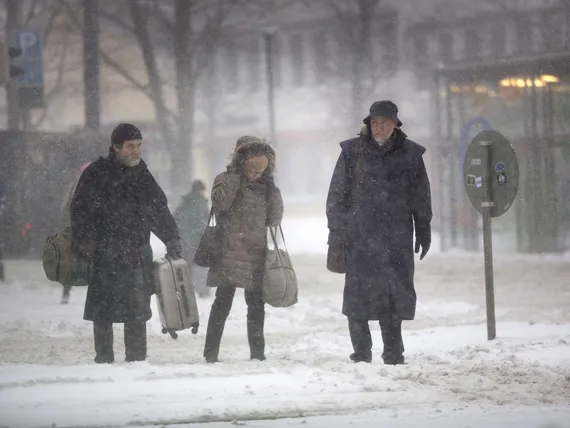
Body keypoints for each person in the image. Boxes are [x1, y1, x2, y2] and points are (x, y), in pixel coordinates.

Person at [326, 101, 432, 365]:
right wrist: (337, 231)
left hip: (396, 238)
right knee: (357, 299)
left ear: (395, 124)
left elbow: (420, 195)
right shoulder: (352, 152)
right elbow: (337, 195)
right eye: (374, 122)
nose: (379, 127)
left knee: (393, 298)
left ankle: (393, 353)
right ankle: (361, 354)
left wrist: (424, 228)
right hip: (359, 237)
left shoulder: (410, 154)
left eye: (384, 122)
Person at [71, 123, 183, 364]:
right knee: (103, 312)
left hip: (135, 253)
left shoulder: (142, 175)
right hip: (105, 253)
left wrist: (171, 238)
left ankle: (136, 359)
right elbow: (80, 210)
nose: (136, 150)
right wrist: (85, 240)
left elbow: (158, 211)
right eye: (131, 146)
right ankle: (104, 358)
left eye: (139, 145)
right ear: (116, 147)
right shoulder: (97, 173)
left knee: (137, 311)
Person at [203, 136, 284, 363]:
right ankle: (210, 353)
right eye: (251, 170)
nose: (255, 175)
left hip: (255, 254)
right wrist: (235, 176)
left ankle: (257, 354)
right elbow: (220, 204)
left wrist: (274, 193)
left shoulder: (267, 188)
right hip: (228, 252)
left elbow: (274, 220)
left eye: (260, 171)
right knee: (222, 303)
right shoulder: (226, 179)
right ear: (241, 162)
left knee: (256, 306)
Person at [60, 162, 91, 304]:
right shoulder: (76, 188)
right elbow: (66, 209)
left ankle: (66, 293)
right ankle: (66, 293)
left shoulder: (75, 187)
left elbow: (65, 209)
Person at [173, 180, 211, 298]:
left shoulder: (185, 201)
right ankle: (202, 290)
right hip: (197, 240)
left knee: (186, 266)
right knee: (201, 266)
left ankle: (184, 290)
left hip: (184, 240)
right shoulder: (201, 202)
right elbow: (203, 222)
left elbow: (176, 218)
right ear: (201, 190)